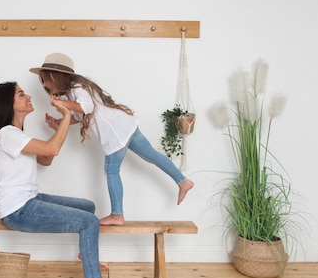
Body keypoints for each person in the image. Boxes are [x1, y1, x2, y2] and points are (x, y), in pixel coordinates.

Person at [0, 81, 126, 278]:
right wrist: (67, 114)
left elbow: (47, 158)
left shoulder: (17, 135)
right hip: (18, 211)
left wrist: (59, 128)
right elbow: (52, 150)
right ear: (8, 104)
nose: (28, 96)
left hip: (29, 200)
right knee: (89, 222)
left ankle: (86, 255)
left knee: (88, 207)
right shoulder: (7, 134)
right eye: (20, 94)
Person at [29, 53, 194, 226]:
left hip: (115, 131)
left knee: (111, 170)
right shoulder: (72, 93)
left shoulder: (77, 88)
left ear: (56, 77)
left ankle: (117, 214)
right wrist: (59, 122)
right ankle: (183, 181)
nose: (45, 85)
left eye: (45, 80)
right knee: (151, 155)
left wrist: (62, 105)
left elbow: (87, 107)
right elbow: (80, 116)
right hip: (124, 125)